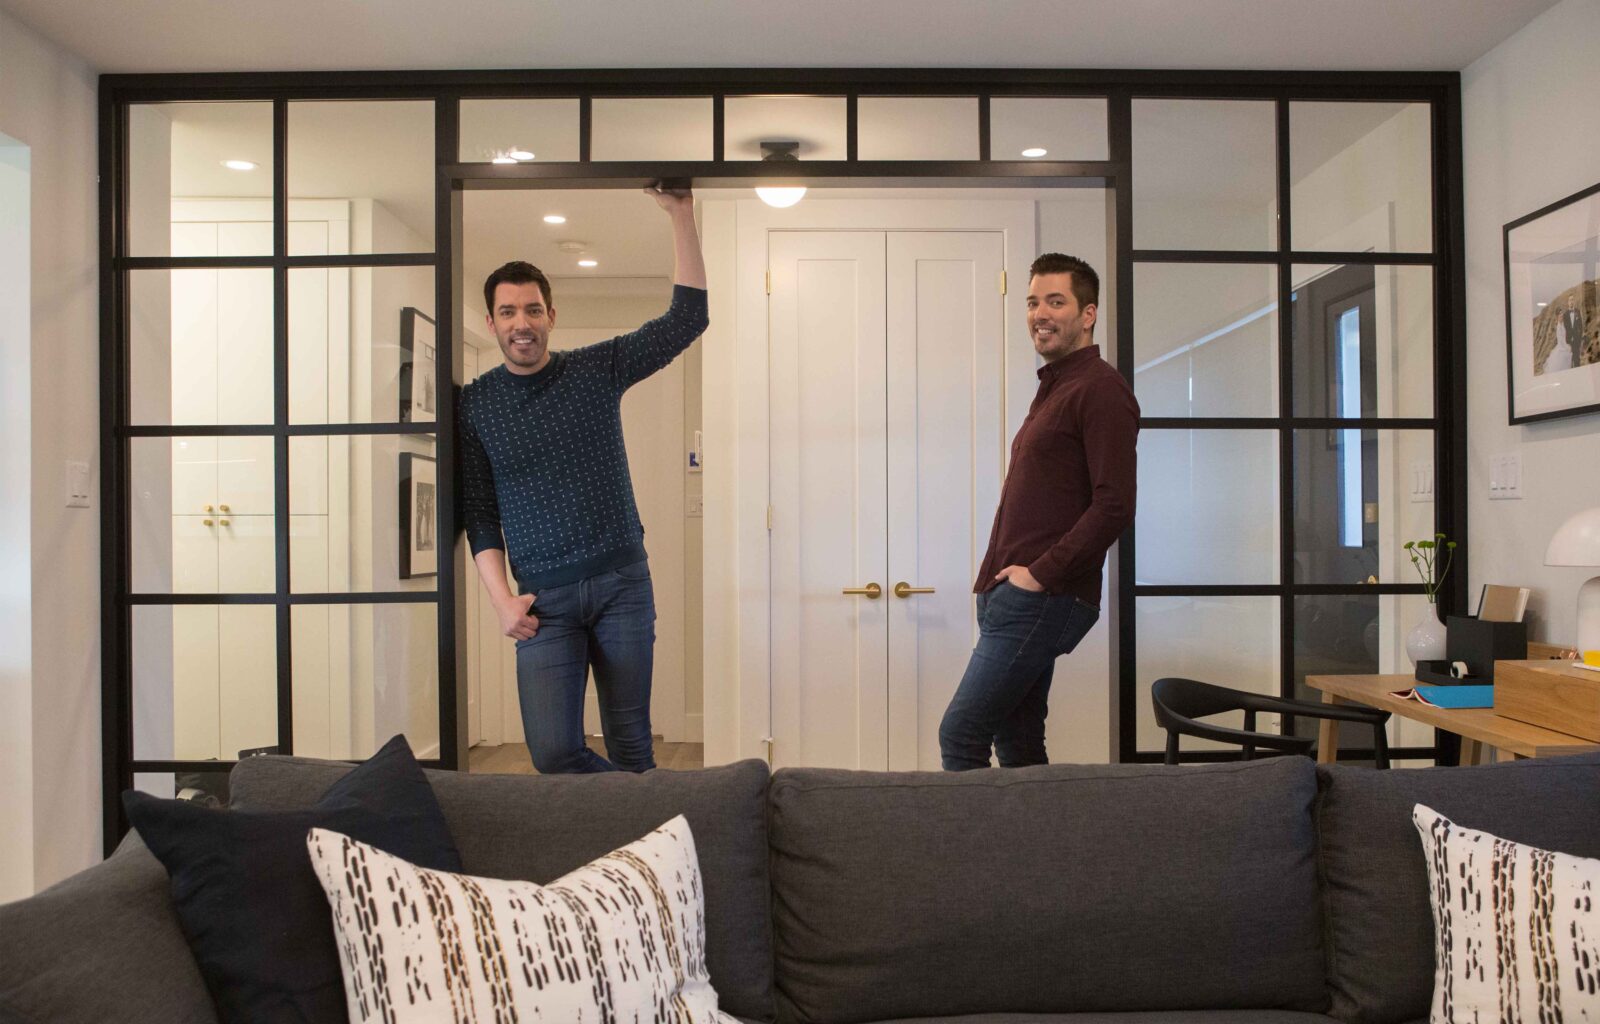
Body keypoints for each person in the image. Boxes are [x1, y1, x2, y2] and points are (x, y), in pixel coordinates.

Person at [460, 184, 707, 773]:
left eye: (533, 309)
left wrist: (681, 212)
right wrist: (502, 601)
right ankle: (650, 807)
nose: (522, 323)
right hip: (541, 601)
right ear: (491, 322)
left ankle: (647, 827)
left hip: (622, 585)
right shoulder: (476, 403)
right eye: (508, 312)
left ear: (551, 315)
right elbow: (479, 511)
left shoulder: (595, 368)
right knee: (552, 752)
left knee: (632, 745)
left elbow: (687, 319)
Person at [938, 252, 1139, 771]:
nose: (1039, 314)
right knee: (1020, 743)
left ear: (1088, 314)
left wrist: (1037, 576)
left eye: (1055, 301)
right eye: (1032, 303)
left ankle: (976, 834)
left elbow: (1115, 504)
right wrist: (1002, 585)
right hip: (1014, 595)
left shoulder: (1100, 389)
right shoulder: (1057, 386)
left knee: (961, 734)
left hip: (1044, 595)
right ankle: (1038, 828)